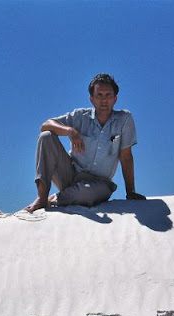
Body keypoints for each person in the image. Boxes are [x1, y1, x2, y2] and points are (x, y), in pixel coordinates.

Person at [25, 73, 146, 213]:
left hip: (99, 184)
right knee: (46, 136)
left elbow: (126, 157)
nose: (104, 100)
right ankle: (41, 198)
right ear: (91, 99)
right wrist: (69, 131)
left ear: (115, 99)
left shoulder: (124, 120)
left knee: (86, 194)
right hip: (70, 174)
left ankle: (56, 199)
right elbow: (45, 125)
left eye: (108, 95)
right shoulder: (80, 116)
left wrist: (130, 192)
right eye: (99, 95)